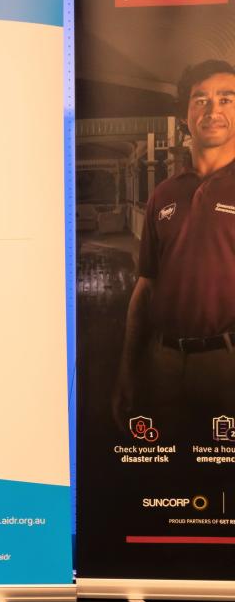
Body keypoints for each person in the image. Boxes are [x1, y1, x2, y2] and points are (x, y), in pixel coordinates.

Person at [113, 59, 235, 431]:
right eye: (200, 100)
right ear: (185, 115)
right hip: (162, 361)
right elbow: (146, 286)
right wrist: (127, 372)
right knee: (161, 470)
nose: (213, 110)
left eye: (226, 98)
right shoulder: (164, 194)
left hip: (226, 363)